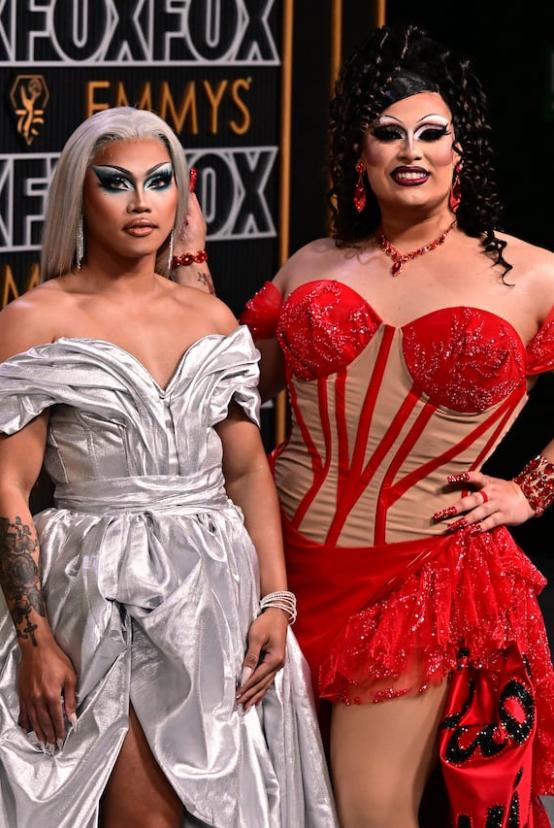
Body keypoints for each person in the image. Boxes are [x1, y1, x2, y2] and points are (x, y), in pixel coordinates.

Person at [0, 107, 334, 828]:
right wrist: (36, 638)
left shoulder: (211, 319)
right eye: (117, 183)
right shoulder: (32, 321)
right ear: (79, 195)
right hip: (94, 593)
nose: (141, 202)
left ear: (181, 194)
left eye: (158, 182)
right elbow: (11, 494)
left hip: (215, 592)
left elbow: (244, 473)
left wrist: (275, 600)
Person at [240, 25, 554, 827]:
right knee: (272, 804)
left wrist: (532, 490)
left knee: (369, 809)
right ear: (360, 155)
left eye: (431, 132)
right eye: (387, 133)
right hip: (271, 568)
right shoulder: (309, 264)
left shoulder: (533, 273)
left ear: (461, 151)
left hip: (420, 575)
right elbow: (237, 392)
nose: (410, 150)